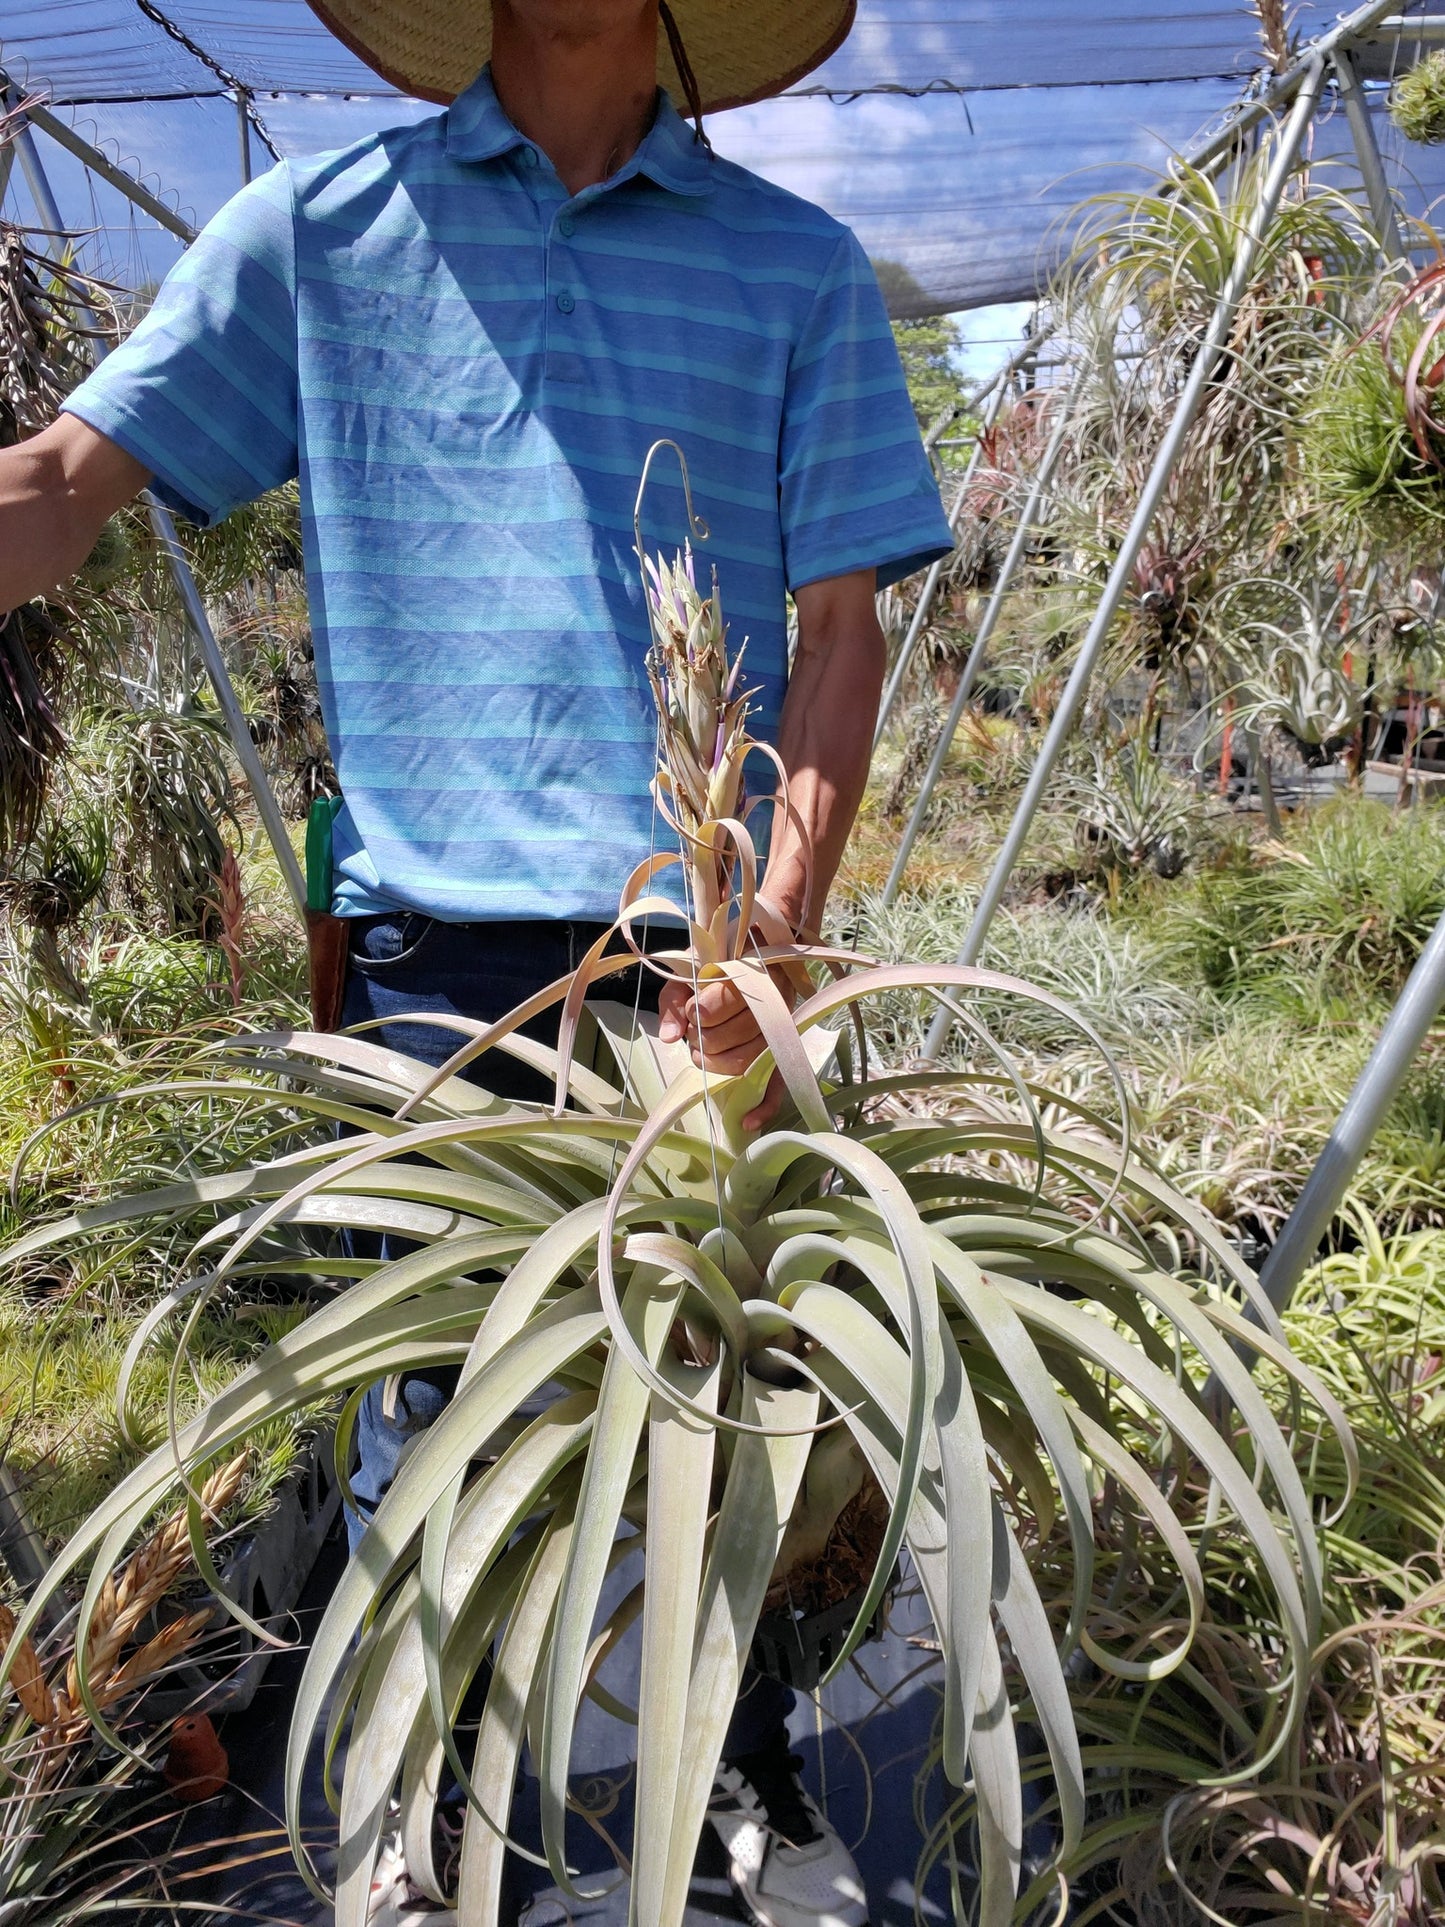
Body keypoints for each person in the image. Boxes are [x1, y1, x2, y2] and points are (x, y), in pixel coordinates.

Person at [0, 3, 953, 1921]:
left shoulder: (795, 264)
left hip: (706, 940)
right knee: (435, 1412)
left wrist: (776, 931)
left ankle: (747, 1765)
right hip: (438, 957)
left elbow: (839, 635)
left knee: (730, 1390)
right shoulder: (320, 229)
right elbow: (64, 489)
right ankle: (430, 1811)